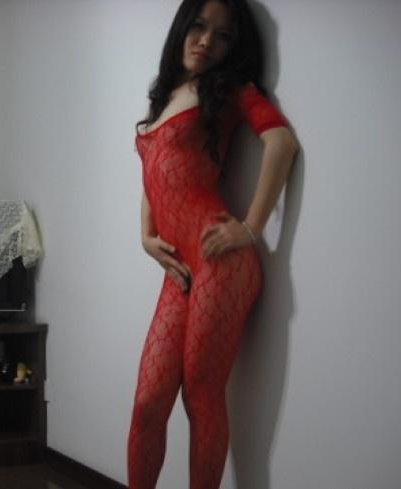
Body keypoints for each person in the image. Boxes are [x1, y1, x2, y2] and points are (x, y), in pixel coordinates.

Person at [127, 1, 298, 488]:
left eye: (223, 36)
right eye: (199, 27)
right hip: (180, 267)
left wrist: (250, 228)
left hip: (222, 259)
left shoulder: (230, 90)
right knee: (148, 402)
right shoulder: (165, 96)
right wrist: (146, 235)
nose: (207, 42)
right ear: (182, 27)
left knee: (200, 397)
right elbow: (155, 171)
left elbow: (282, 143)